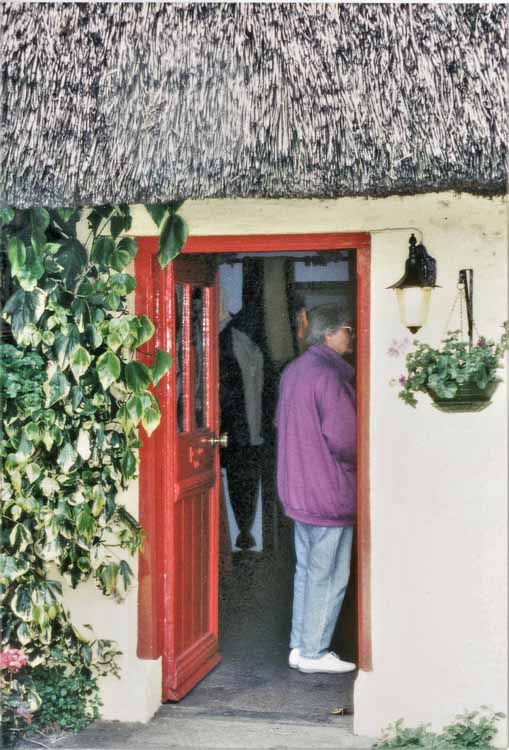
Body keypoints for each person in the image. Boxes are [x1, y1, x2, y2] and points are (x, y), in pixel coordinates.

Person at [276, 304, 357, 674]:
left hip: (299, 491)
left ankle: (299, 645)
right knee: (330, 574)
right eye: (346, 330)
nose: (350, 337)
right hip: (329, 493)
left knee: (306, 571)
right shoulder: (329, 376)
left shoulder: (294, 371)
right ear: (328, 334)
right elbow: (347, 440)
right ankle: (315, 652)